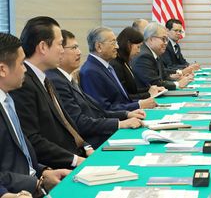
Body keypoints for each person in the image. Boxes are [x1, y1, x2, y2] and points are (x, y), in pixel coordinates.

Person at [10, 17, 93, 169]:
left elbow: (66, 124)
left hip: (76, 154)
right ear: (42, 47)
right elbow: (32, 139)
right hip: (58, 167)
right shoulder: (23, 83)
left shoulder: (45, 77)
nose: (62, 50)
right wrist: (75, 159)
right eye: (60, 44)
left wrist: (86, 147)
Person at [46, 30, 145, 148]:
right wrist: (119, 124)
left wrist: (126, 114)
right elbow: (80, 122)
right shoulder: (59, 80)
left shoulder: (67, 78)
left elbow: (97, 110)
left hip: (99, 133)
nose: (79, 52)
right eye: (74, 48)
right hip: (94, 141)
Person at [0, 32, 70, 196]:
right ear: (3, 70)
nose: (25, 69)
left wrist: (43, 173)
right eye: (21, 63)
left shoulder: (7, 100)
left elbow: (20, 157)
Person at [79, 27, 157, 111]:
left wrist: (141, 103)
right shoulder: (91, 71)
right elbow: (104, 109)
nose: (117, 46)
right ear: (99, 46)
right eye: (113, 42)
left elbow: (122, 99)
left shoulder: (106, 66)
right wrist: (138, 105)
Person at [132, 22, 193, 90]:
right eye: (163, 39)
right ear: (151, 39)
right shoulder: (144, 56)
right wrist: (178, 84)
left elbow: (164, 77)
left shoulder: (156, 53)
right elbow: (154, 83)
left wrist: (178, 79)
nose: (166, 43)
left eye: (166, 40)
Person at [110, 27, 165, 100]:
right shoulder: (116, 64)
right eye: (138, 47)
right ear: (129, 45)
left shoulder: (124, 62)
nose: (139, 51)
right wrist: (148, 94)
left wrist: (150, 89)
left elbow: (133, 90)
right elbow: (124, 96)